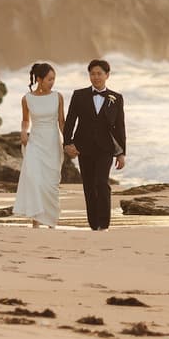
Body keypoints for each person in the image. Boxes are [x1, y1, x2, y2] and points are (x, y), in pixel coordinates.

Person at [63, 59, 126, 231]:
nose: (96, 77)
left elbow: (120, 127)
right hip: (83, 147)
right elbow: (70, 121)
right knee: (89, 186)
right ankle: (93, 224)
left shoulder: (117, 98)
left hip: (106, 148)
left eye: (99, 74)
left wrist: (121, 153)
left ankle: (104, 224)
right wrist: (67, 143)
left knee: (101, 182)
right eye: (92, 74)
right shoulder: (79, 95)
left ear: (107, 75)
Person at [12, 62, 65, 229]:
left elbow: (61, 122)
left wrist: (69, 142)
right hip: (35, 142)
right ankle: (36, 222)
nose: (52, 82)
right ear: (39, 79)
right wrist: (23, 131)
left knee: (50, 183)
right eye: (49, 79)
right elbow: (26, 120)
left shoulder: (58, 97)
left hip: (52, 143)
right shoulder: (27, 98)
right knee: (35, 180)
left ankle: (51, 222)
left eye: (54, 79)